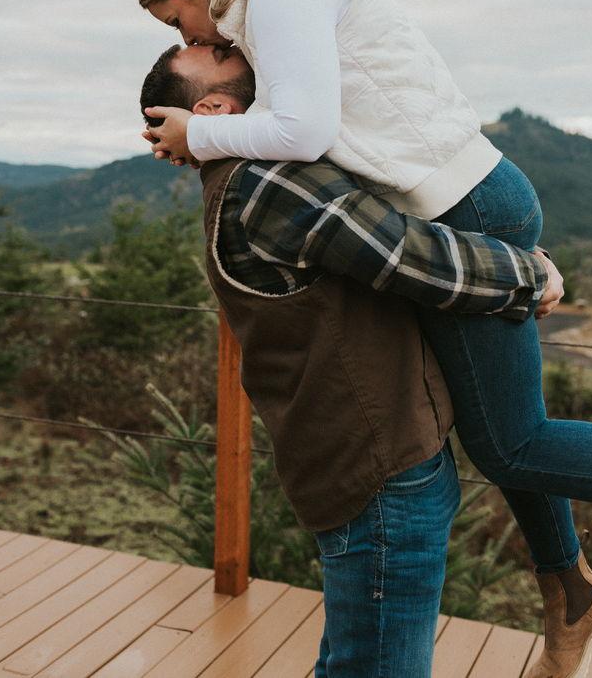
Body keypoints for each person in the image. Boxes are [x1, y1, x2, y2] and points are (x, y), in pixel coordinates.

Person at [134, 0, 592, 678]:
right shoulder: (272, 8)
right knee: (502, 429)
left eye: (177, 19)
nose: (191, 34)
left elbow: (304, 130)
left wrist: (198, 136)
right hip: (450, 208)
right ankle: (570, 591)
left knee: (513, 442)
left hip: (465, 207)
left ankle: (588, 584)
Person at [140, 42, 565, 677]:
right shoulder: (263, 181)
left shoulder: (254, 174)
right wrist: (526, 274)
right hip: (379, 468)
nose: (234, 40)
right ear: (213, 109)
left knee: (355, 659)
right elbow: (404, 253)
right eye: (215, 50)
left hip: (370, 457)